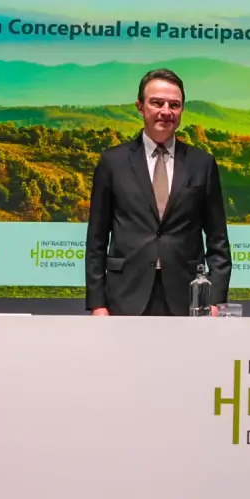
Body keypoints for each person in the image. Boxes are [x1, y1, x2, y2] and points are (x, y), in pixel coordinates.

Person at [85, 68, 231, 316]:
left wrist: (214, 299)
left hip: (188, 298)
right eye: (157, 103)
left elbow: (218, 240)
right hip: (124, 295)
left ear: (182, 110)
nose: (166, 111)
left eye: (174, 105)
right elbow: (96, 240)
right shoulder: (113, 162)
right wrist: (98, 304)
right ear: (140, 107)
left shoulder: (202, 163)